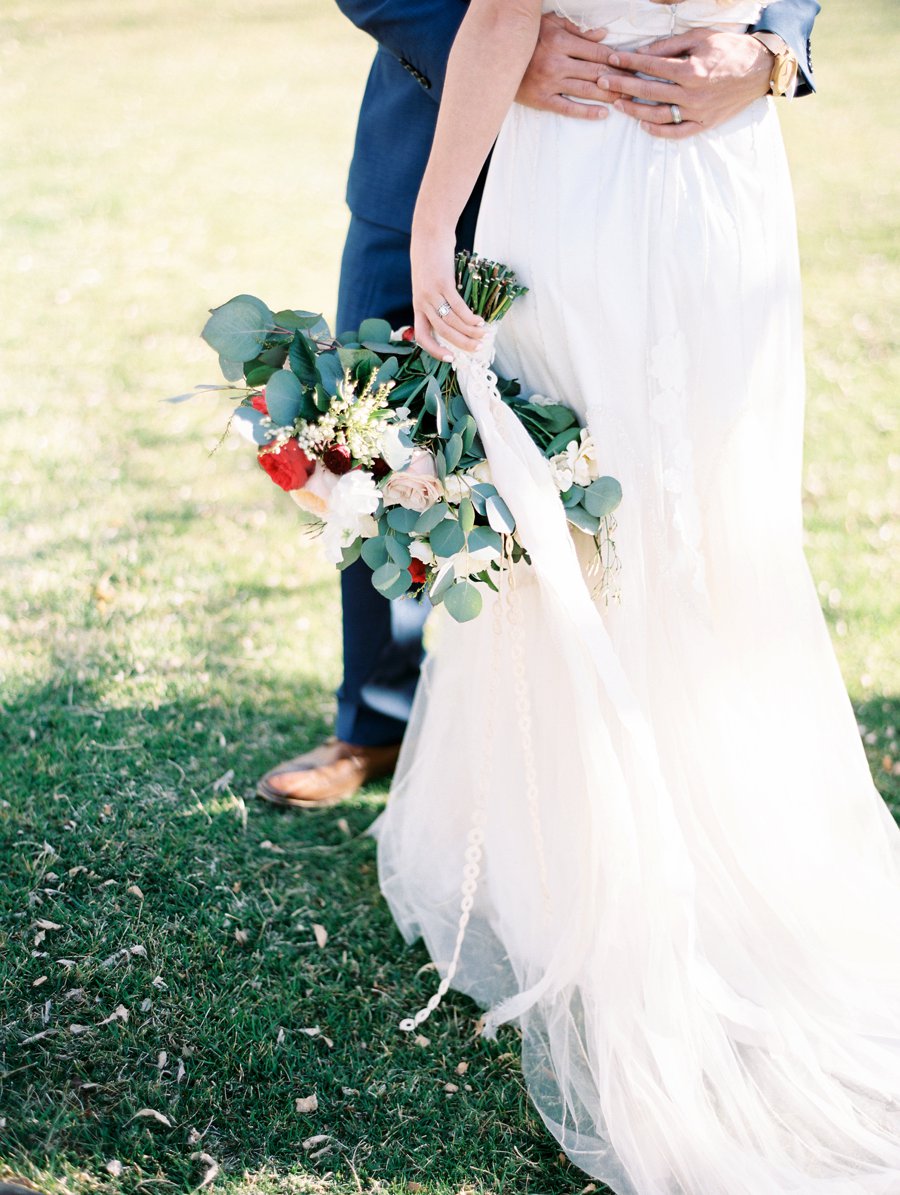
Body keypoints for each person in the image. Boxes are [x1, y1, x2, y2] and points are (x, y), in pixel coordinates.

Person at [371, 0, 900, 1190]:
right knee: (703, 516)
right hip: (719, 186)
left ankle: (588, 856)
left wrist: (430, 226)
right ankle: (700, 820)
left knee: (591, 523)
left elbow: (504, 10)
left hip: (589, 173)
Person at [256, 0, 821, 809]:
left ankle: (642, 740)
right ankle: (378, 714)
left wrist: (775, 47)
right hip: (430, 136)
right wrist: (493, 46)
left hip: (649, 159)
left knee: (639, 451)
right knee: (382, 428)